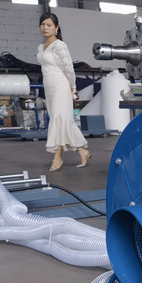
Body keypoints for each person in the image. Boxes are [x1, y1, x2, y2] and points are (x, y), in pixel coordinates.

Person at [36, 12, 91, 171]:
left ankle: (57, 158)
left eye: (49, 25)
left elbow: (69, 68)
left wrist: (73, 87)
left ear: (56, 28)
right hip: (49, 86)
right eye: (43, 24)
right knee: (61, 120)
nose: (45, 27)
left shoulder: (59, 45)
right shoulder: (41, 47)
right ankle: (82, 151)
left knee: (59, 119)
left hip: (61, 84)